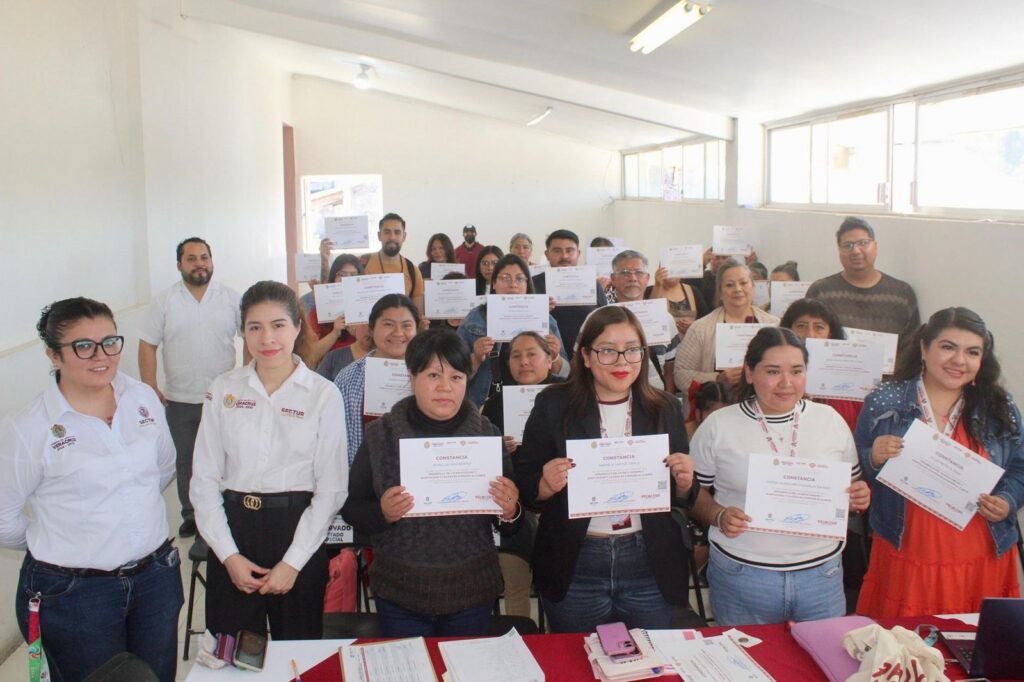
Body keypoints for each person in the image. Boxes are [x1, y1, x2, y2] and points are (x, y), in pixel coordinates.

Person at [1, 298, 183, 681]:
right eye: (83, 346)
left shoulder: (141, 398)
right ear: (54, 355)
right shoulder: (29, 427)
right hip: (76, 595)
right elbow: (3, 518)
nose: (101, 356)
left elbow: (163, 469)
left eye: (110, 342)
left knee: (156, 675)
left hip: (154, 580)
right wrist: (57, 540)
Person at [513, 306, 702, 632]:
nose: (621, 361)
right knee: (577, 654)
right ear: (586, 356)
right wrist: (544, 485)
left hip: (648, 560)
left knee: (650, 654)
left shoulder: (665, 407)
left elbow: (680, 495)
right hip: (577, 560)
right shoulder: (553, 404)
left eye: (632, 350)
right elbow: (526, 481)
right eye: (607, 351)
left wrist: (685, 482)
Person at [191, 281, 348, 640]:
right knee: (232, 654)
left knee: (297, 653)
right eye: (254, 327)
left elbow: (332, 489)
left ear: (297, 327)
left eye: (278, 325)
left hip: (296, 531)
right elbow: (204, 480)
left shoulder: (323, 395)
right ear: (243, 332)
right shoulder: (224, 389)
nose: (267, 339)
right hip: (234, 529)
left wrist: (293, 562)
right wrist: (229, 556)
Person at [341, 329, 522, 637]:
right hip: (400, 595)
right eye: (433, 375)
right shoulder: (381, 436)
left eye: (456, 377)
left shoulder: (487, 435)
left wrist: (510, 511)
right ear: (412, 377)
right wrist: (382, 513)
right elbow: (351, 509)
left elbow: (510, 526)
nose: (445, 387)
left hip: (472, 592)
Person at [689, 327, 870, 625]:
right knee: (746, 655)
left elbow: (851, 485)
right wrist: (718, 515)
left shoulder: (830, 420)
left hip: (820, 575)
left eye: (796, 371)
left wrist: (857, 495)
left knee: (820, 655)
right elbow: (693, 493)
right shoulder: (719, 425)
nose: (786, 383)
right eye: (773, 371)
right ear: (750, 373)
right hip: (742, 575)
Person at [855, 307, 1023, 618]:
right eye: (948, 347)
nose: (959, 360)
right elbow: (856, 465)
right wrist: (872, 457)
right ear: (924, 347)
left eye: (972, 352)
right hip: (907, 550)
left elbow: (1020, 467)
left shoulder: (999, 405)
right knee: (905, 641)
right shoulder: (884, 400)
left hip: (981, 554)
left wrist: (1008, 500)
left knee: (972, 641)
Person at [138, 237, 241, 538]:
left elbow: (250, 335)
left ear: (212, 261)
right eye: (191, 258)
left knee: (228, 456)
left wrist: (249, 376)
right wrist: (149, 387)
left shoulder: (230, 298)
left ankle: (225, 511)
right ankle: (192, 515)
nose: (199, 263)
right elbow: (147, 344)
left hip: (224, 398)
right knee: (186, 460)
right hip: (180, 399)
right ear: (179, 265)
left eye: (204, 257)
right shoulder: (165, 301)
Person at [478, 331, 558, 619]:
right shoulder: (495, 403)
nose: (524, 361)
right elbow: (481, 461)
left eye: (531, 354)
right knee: (515, 584)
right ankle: (519, 635)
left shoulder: (568, 396)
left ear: (549, 359)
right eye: (516, 356)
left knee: (558, 585)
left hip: (557, 504)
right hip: (512, 509)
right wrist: (499, 450)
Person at [458, 254, 568, 407]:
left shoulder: (544, 318)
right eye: (505, 278)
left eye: (520, 279)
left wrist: (555, 357)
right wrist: (475, 357)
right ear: (494, 283)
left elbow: (566, 374)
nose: (513, 285)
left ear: (527, 284)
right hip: (487, 405)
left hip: (537, 403)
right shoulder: (475, 319)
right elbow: (453, 373)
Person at [673, 259, 780, 416]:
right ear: (720, 292)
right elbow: (680, 375)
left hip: (763, 411)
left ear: (753, 286)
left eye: (743, 283)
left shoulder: (774, 325)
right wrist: (717, 378)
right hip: (716, 412)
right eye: (729, 285)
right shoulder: (701, 328)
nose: (738, 289)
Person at [805, 216, 920, 362]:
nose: (856, 251)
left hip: (890, 375)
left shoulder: (902, 294)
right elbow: (807, 340)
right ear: (839, 251)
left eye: (863, 243)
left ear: (875, 246)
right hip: (832, 371)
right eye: (847, 245)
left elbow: (911, 349)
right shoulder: (821, 292)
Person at [336, 294, 420, 464]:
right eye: (388, 324)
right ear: (372, 329)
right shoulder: (348, 377)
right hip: (363, 473)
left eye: (406, 325)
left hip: (416, 471)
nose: (398, 333)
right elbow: (337, 441)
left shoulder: (430, 374)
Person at [608, 249, 685, 393]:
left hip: (654, 398)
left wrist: (667, 401)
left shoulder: (665, 318)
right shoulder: (598, 318)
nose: (632, 278)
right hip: (610, 396)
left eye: (639, 272)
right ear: (613, 278)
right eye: (625, 273)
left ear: (647, 278)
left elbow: (670, 368)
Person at [532, 229, 609, 358]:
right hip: (546, 359)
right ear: (547, 254)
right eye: (557, 251)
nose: (564, 256)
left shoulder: (592, 284)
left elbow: (605, 321)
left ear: (578, 253)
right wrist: (538, 310)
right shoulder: (532, 285)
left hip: (586, 357)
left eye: (570, 250)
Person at [305, 253, 362, 369]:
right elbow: (311, 357)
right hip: (329, 372)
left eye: (353, 275)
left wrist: (359, 334)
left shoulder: (369, 310)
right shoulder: (318, 311)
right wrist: (335, 333)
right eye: (342, 274)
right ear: (333, 278)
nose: (346, 280)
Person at [363, 212, 425, 315]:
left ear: (404, 236)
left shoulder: (413, 271)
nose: (392, 237)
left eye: (397, 232)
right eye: (387, 232)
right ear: (379, 236)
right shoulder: (362, 263)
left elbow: (417, 315)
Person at [650, 254, 710, 345]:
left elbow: (707, 321)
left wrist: (694, 326)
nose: (670, 272)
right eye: (666, 268)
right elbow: (648, 319)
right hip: (662, 349)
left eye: (674, 268)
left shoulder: (693, 291)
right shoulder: (651, 291)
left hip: (690, 347)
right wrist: (657, 285)